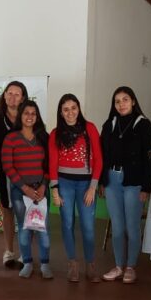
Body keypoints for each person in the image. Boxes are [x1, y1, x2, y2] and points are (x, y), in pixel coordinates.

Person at [99, 87, 151, 284]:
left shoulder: (144, 125)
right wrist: (102, 181)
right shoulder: (109, 125)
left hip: (134, 182)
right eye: (117, 101)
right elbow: (102, 156)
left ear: (133, 101)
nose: (121, 104)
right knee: (117, 226)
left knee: (132, 227)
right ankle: (118, 266)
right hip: (112, 180)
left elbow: (150, 158)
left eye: (125, 99)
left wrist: (146, 187)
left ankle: (130, 267)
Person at [48, 94, 103, 282]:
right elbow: (53, 163)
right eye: (66, 109)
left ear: (79, 109)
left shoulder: (90, 128)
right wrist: (55, 189)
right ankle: (72, 263)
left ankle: (91, 264)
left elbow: (99, 159)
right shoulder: (55, 133)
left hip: (86, 185)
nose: (70, 112)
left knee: (88, 226)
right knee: (67, 223)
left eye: (73, 108)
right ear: (61, 113)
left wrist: (93, 187)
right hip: (64, 183)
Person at [1, 100, 52, 279]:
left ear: (37, 117)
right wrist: (25, 188)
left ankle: (45, 264)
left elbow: (49, 165)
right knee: (24, 227)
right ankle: (28, 262)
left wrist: (44, 186)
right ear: (20, 116)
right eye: (26, 113)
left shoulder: (44, 137)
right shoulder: (11, 138)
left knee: (43, 228)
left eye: (33, 113)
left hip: (41, 190)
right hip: (20, 192)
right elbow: (8, 166)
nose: (30, 116)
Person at [0, 81, 28, 269]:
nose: (12, 97)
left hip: (28, 174)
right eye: (9, 93)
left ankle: (25, 253)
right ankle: (9, 251)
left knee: (25, 212)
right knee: (8, 211)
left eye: (16, 94)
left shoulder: (29, 117)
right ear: (4, 96)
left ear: (23, 98)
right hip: (6, 174)